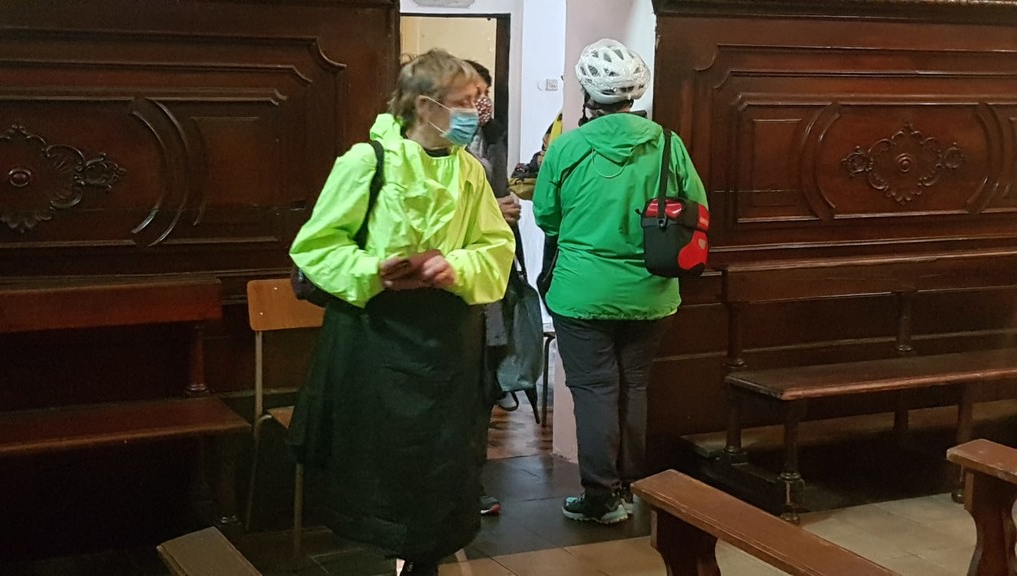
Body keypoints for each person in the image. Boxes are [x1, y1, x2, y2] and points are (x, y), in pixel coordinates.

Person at [287, 50, 516, 575]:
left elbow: (495, 246)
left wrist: (455, 266)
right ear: (425, 106)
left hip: (447, 343)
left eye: (479, 100)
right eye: (464, 101)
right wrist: (375, 270)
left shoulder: (468, 169)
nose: (476, 111)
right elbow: (317, 247)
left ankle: (426, 558)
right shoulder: (367, 162)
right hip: (377, 339)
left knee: (442, 461)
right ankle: (380, 552)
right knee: (381, 461)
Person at [532, 38, 708, 525]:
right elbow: (696, 208)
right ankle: (631, 486)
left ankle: (601, 496)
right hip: (652, 291)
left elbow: (546, 217)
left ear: (587, 92)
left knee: (594, 389)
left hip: (581, 291)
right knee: (635, 385)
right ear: (636, 91)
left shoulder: (567, 147)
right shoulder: (668, 144)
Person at [464, 59, 514, 517]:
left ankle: (471, 484)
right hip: (451, 291)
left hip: (488, 289)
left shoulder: (493, 135)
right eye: (471, 94)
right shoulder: (423, 150)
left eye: (485, 92)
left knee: (480, 394)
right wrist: (496, 212)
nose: (480, 103)